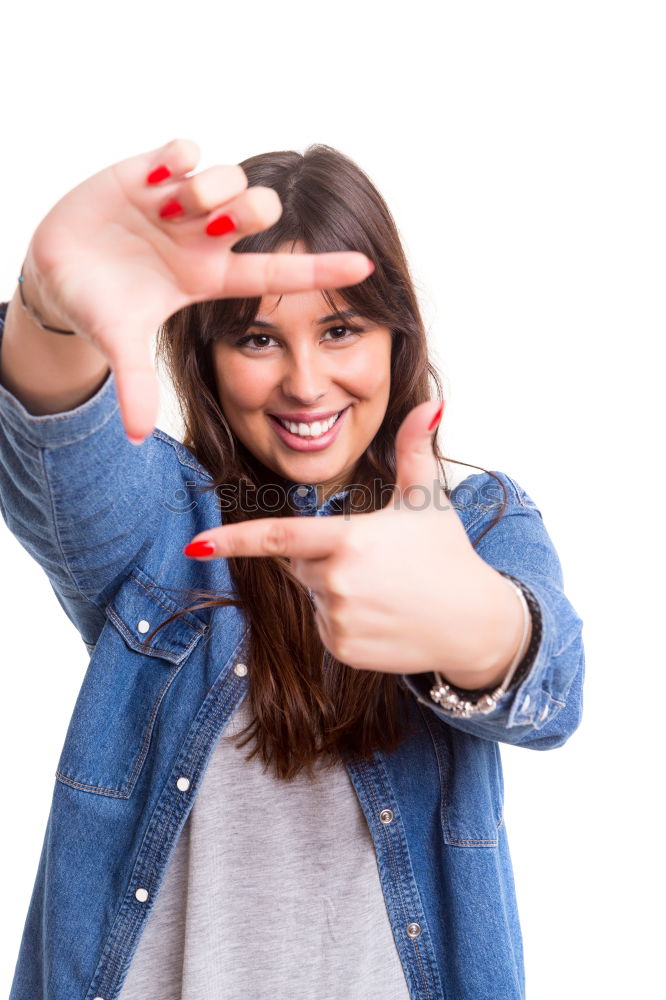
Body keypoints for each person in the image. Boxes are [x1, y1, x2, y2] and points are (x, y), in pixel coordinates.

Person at [0, 138, 585, 1000]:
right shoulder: (162, 519)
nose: (307, 383)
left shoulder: (475, 520)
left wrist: (471, 623)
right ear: (206, 357)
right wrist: (52, 318)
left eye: (341, 330)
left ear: (397, 338)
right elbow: (60, 445)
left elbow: (555, 690)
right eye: (259, 339)